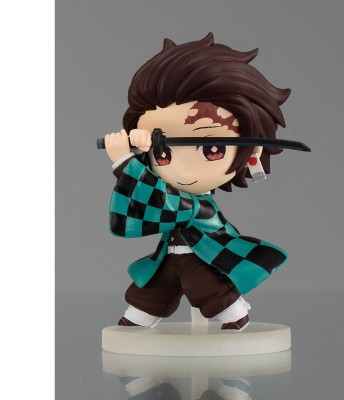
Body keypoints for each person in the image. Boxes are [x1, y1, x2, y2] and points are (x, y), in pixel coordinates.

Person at [105, 33, 290, 332]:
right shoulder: (162, 185)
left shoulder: (195, 206)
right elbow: (152, 189)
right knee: (153, 286)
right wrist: (141, 153)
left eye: (211, 149)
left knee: (205, 284)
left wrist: (124, 163)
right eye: (163, 153)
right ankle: (138, 319)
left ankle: (234, 313)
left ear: (253, 149)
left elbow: (159, 200)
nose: (183, 168)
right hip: (170, 252)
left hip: (204, 253)